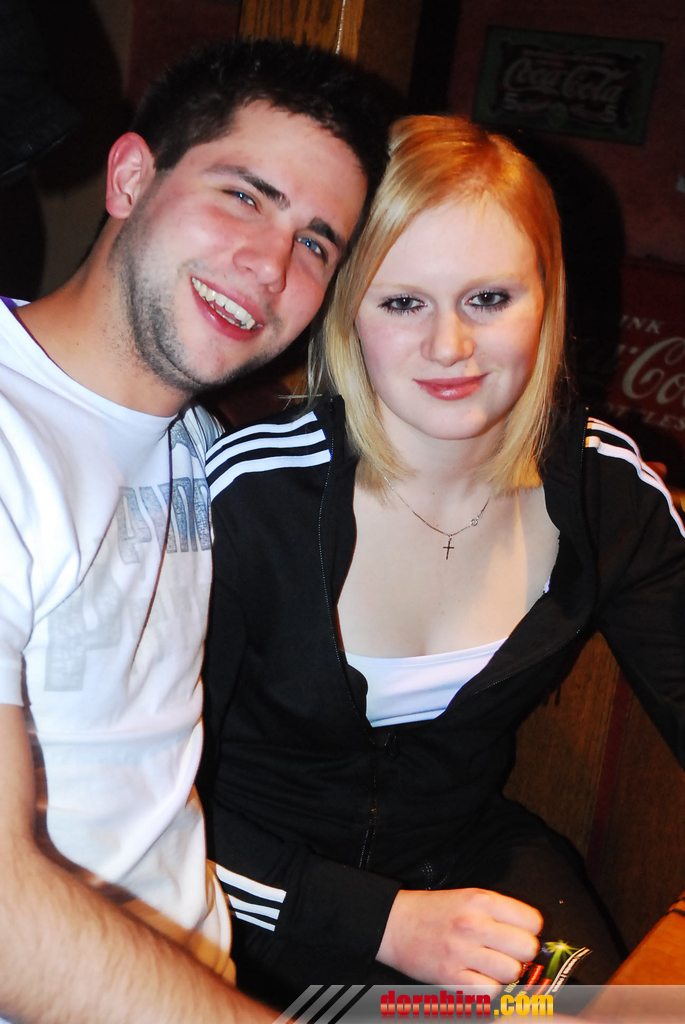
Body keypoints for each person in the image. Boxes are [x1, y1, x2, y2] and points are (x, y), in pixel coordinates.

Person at [199, 114, 685, 1008]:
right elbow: (133, 804)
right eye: (402, 302)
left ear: (548, 296)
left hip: (469, 868)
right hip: (246, 899)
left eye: (488, 299)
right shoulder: (246, 501)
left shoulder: (603, 488)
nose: (450, 346)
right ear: (345, 308)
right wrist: (383, 922)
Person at [0, 37, 388, 1024]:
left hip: (206, 975)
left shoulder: (199, 445)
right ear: (131, 178)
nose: (270, 265)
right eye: (244, 196)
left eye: (316, 243)